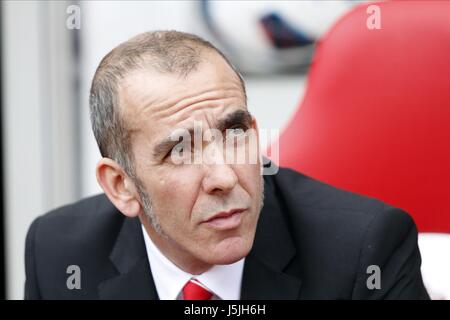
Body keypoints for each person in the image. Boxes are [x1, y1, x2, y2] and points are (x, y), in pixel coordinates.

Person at [24, 31, 429, 300]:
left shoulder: (365, 248)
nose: (225, 176)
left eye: (234, 133)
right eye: (181, 151)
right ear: (121, 186)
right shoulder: (58, 252)